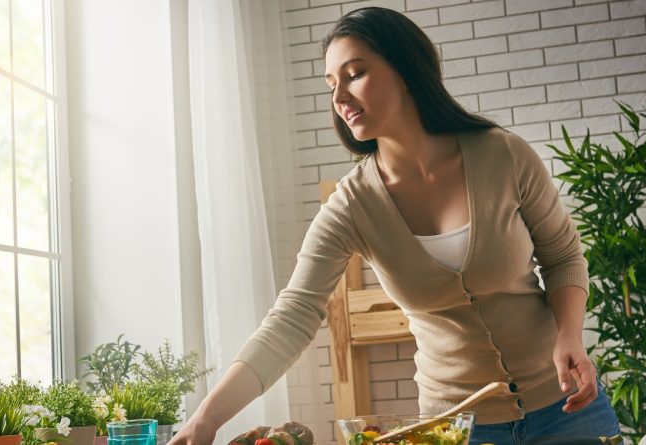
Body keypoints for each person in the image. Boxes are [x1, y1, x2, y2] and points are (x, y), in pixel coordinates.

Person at [172, 7, 621, 445]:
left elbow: (563, 256)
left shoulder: (503, 155)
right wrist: (204, 420)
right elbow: (292, 317)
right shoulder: (350, 206)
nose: (340, 97)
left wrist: (569, 337)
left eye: (355, 74)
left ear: (405, 71)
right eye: (332, 84)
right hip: (454, 430)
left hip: (568, 410)